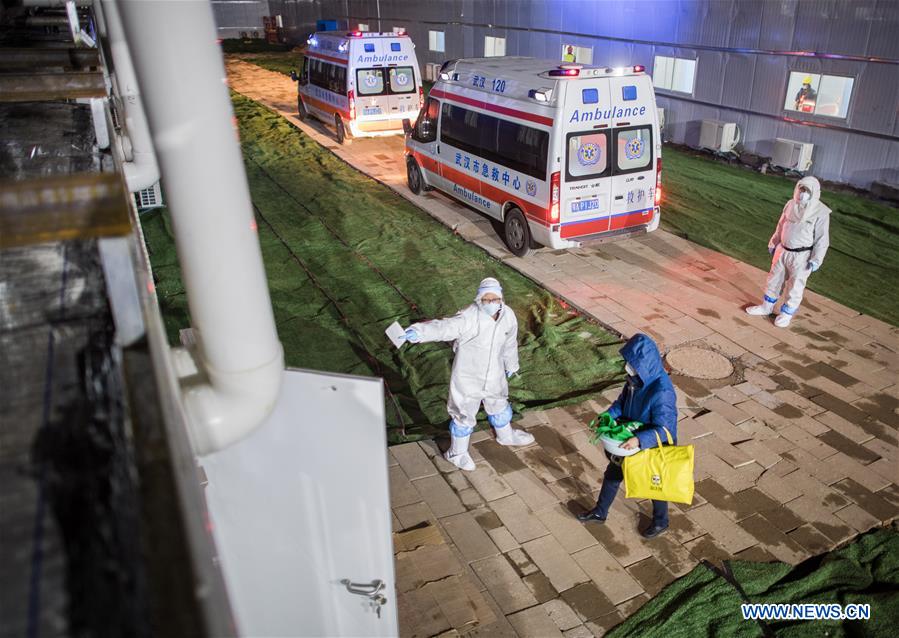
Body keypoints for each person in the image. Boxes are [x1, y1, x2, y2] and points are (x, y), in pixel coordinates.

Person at [402, 277, 534, 471]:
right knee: (463, 412)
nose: (490, 303)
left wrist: (511, 365)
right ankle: (457, 453)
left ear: (501, 298)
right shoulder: (468, 316)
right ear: (479, 299)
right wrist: (419, 332)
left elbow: (509, 342)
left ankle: (505, 436)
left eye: (494, 299)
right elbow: (445, 327)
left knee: (498, 403)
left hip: (495, 375)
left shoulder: (508, 315)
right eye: (486, 299)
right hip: (467, 377)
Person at [577, 334, 677, 539]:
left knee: (654, 484)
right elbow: (621, 403)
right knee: (613, 475)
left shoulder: (662, 391)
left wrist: (639, 440)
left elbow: (666, 429)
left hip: (650, 444)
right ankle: (600, 512)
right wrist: (608, 415)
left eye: (631, 364)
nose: (627, 367)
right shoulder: (635, 380)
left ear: (644, 365)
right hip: (628, 435)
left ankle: (661, 521)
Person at [745, 176, 831, 328]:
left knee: (795, 285)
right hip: (782, 250)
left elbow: (822, 239)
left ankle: (786, 314)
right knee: (774, 279)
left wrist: (816, 259)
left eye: (807, 190)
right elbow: (781, 225)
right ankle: (766, 306)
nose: (803, 193)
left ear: (814, 192)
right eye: (801, 189)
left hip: (802, 256)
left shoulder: (821, 212)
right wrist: (774, 242)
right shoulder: (791, 204)